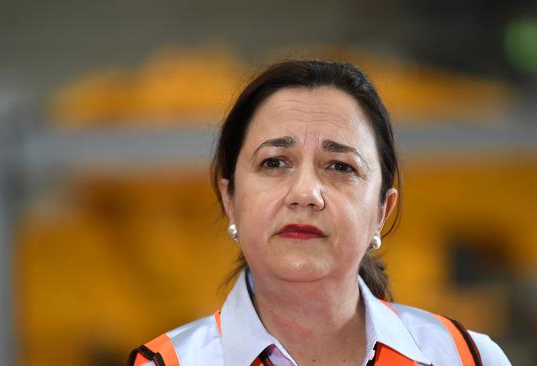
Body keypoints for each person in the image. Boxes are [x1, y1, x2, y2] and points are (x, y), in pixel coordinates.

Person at [128, 60, 511, 366]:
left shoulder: (467, 358)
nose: (306, 194)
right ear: (230, 199)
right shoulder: (169, 363)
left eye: (340, 166)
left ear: (382, 209)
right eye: (275, 162)